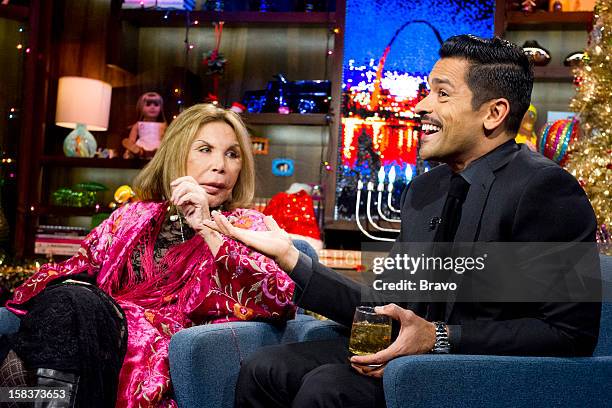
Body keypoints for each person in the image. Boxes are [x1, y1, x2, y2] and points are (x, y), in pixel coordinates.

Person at [202, 35, 601, 408]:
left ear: (494, 113)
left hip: (480, 369)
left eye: (442, 93)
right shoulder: (425, 190)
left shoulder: (546, 189)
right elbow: (380, 306)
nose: (422, 106)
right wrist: (292, 259)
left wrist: (439, 338)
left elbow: (570, 333)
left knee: (328, 387)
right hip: (406, 354)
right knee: (265, 369)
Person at [2, 104, 296, 407]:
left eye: (232, 154)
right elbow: (76, 266)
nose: (220, 165)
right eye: (205, 149)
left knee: (72, 308)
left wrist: (207, 228)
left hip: (159, 349)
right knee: (66, 301)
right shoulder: (134, 215)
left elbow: (277, 300)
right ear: (176, 155)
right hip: (93, 332)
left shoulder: (246, 225)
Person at [122, 92, 168, 158]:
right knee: (137, 149)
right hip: (141, 146)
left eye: (156, 104)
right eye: (148, 104)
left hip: (158, 148)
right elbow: (132, 139)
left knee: (161, 151)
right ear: (141, 107)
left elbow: (165, 138)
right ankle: (137, 152)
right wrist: (128, 148)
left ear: (161, 108)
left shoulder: (163, 125)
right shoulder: (138, 124)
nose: (152, 107)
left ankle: (140, 152)